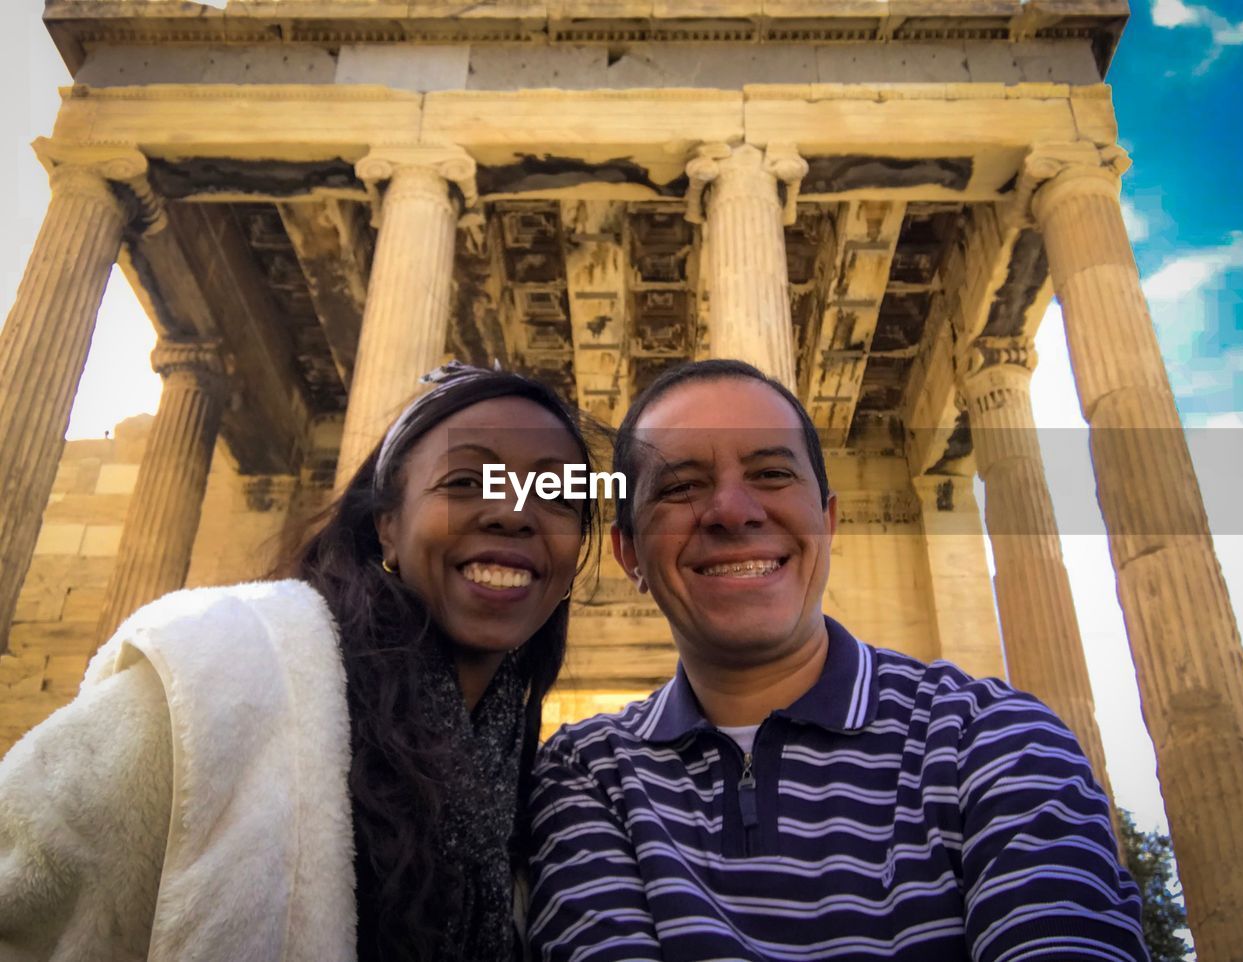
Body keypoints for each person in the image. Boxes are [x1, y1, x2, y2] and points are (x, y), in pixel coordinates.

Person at [528, 359, 1148, 962]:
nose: (733, 512)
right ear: (630, 554)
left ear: (827, 521)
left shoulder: (995, 738)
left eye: (771, 473)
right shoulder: (586, 772)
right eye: (682, 487)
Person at [0, 363, 602, 962]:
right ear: (387, 526)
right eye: (465, 481)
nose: (513, 511)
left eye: (556, 494)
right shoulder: (211, 686)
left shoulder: (524, 783)